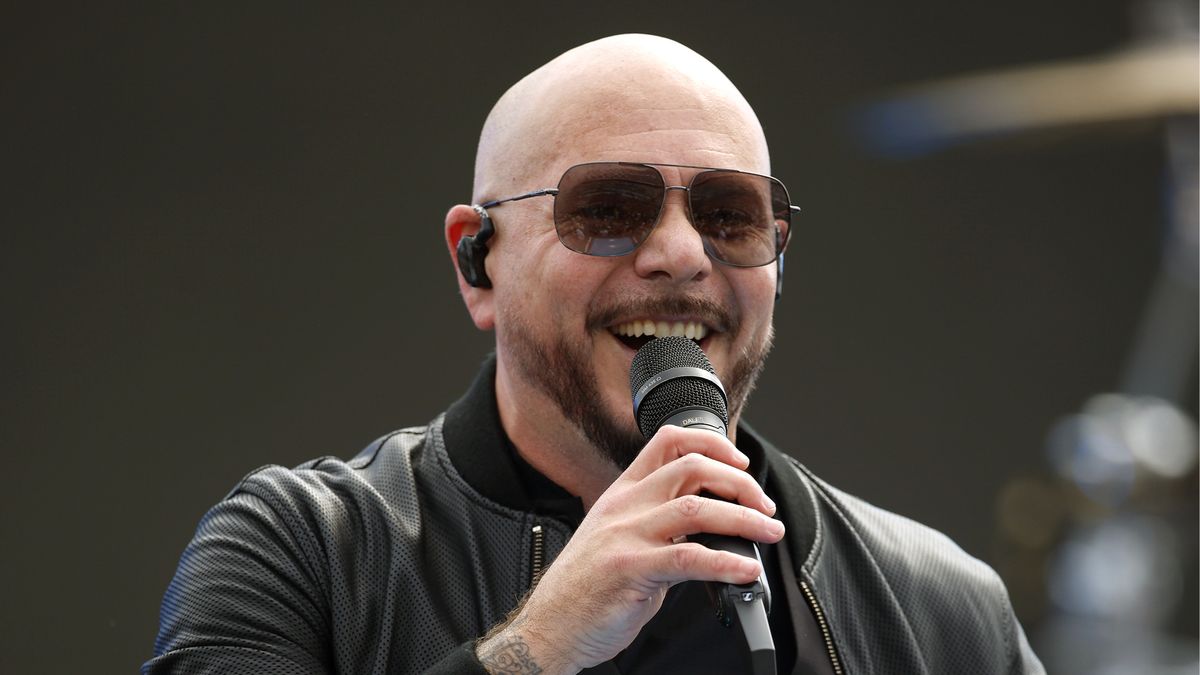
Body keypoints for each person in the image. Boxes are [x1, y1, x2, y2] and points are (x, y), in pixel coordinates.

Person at [145, 34, 1044, 674]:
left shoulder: (941, 605)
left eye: (730, 216)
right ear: (477, 261)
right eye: (609, 209)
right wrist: (537, 647)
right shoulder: (299, 552)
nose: (683, 254)